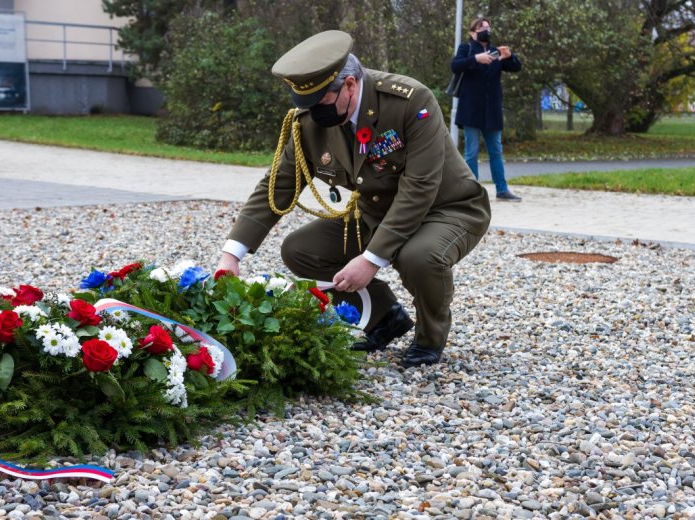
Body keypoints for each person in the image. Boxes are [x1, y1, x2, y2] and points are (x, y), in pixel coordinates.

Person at [215, 30, 491, 368]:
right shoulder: (311, 121)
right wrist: (232, 255)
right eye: (308, 106)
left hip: (448, 208)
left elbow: (419, 188)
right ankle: (385, 317)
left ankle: (429, 339)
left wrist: (371, 259)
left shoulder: (410, 102)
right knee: (300, 249)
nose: (316, 114)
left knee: (416, 256)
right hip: (377, 213)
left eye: (321, 104)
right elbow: (278, 185)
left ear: (349, 86)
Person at [452, 17, 520, 201]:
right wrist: (476, 59)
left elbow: (516, 67)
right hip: (471, 109)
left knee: (496, 151)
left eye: (488, 27)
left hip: (492, 110)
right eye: (482, 27)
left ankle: (502, 189)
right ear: (473, 32)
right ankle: (472, 192)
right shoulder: (466, 49)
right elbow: (455, 66)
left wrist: (509, 56)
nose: (486, 30)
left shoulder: (495, 51)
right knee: (471, 152)